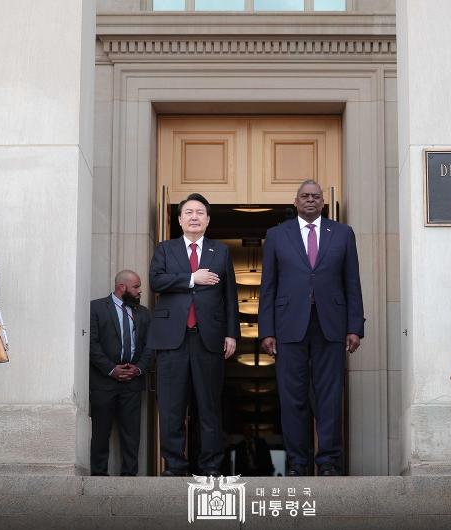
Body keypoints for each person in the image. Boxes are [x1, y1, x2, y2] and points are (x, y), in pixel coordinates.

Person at [258, 179, 364, 476]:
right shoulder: (277, 235)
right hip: (288, 327)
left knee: (329, 397)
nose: (310, 200)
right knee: (292, 398)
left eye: (315, 197)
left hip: (331, 325)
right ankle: (297, 464)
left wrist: (355, 326)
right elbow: (268, 286)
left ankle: (328, 462)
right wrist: (267, 330)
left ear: (323, 202)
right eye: (304, 196)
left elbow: (352, 283)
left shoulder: (342, 234)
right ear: (295, 202)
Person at [148, 193, 239, 476]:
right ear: (179, 219)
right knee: (172, 407)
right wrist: (192, 278)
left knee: (209, 408)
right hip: (172, 339)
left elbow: (230, 296)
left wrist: (231, 334)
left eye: (200, 212)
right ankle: (174, 466)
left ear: (208, 219)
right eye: (189, 212)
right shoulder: (165, 249)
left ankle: (210, 468)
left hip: (208, 339)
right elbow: (155, 281)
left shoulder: (220, 251)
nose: (194, 217)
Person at [89, 270, 154, 476]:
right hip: (103, 381)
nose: (140, 290)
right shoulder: (96, 308)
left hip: (132, 382)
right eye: (136, 286)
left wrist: (138, 368)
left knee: (131, 434)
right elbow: (91, 343)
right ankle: (99, 476)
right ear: (122, 287)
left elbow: (150, 346)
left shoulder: (144, 313)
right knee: (101, 431)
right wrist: (111, 369)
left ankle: (129, 477)